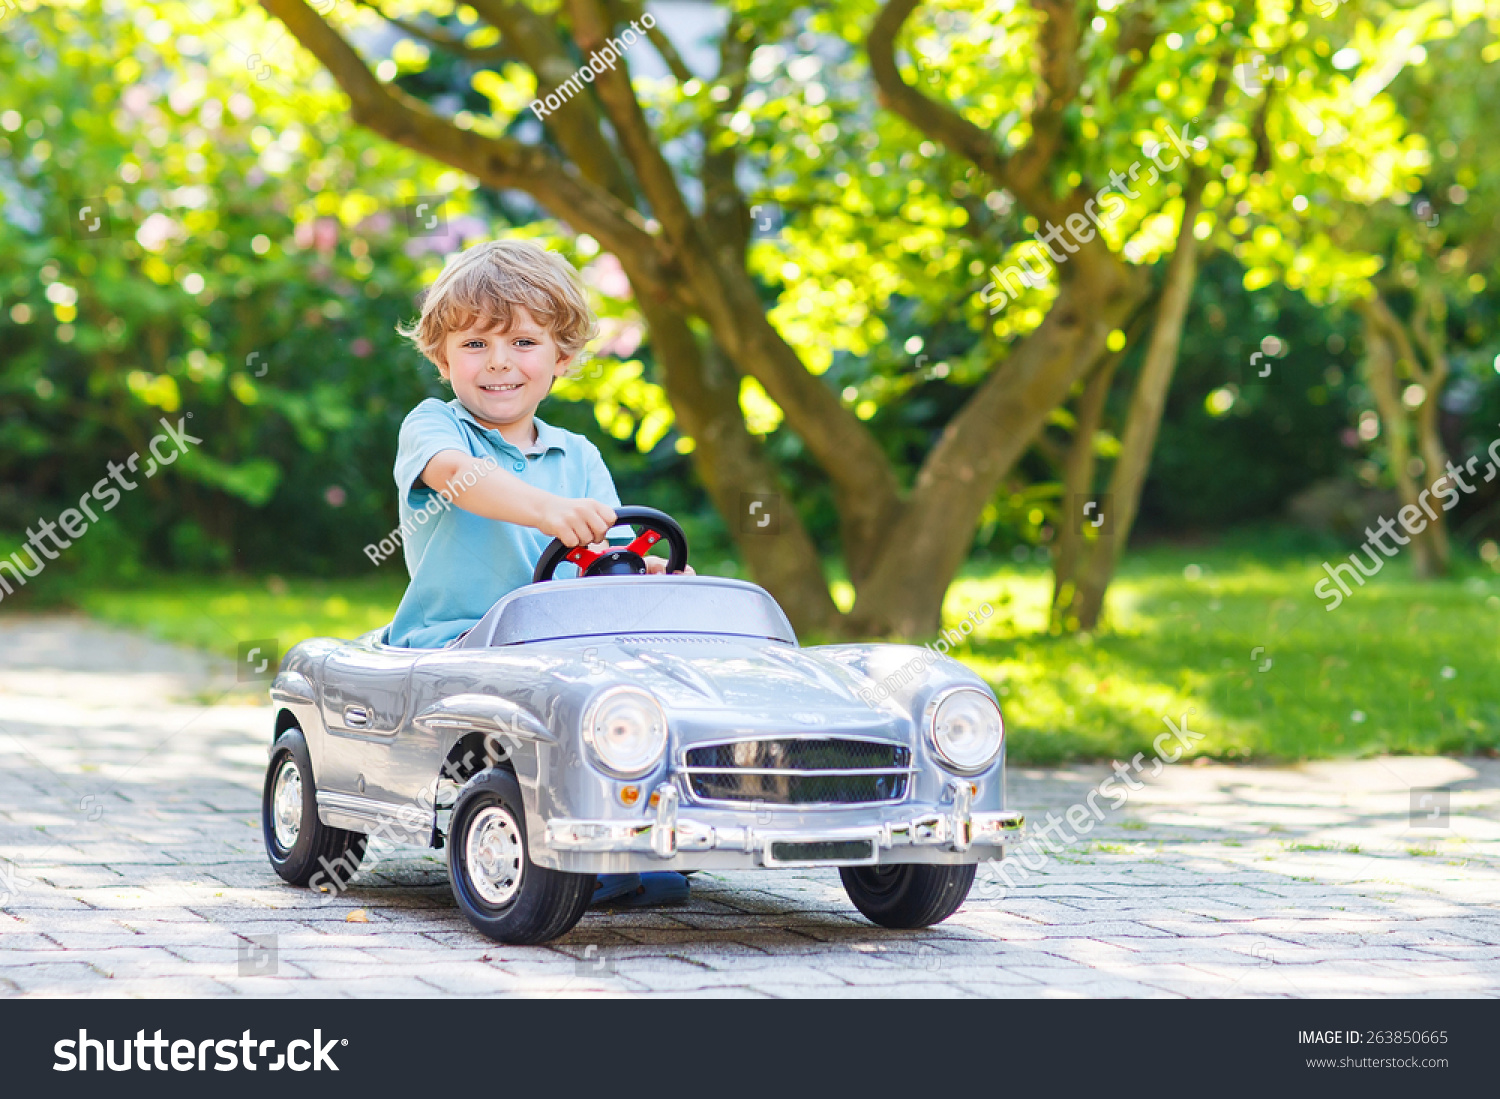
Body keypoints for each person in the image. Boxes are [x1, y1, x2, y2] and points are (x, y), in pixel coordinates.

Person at [390, 238, 690, 909]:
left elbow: (611, 553)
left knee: (642, 688)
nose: (499, 362)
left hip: (561, 651)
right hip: (458, 643)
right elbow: (458, 479)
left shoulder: (577, 455)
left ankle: (648, 823)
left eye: (523, 342)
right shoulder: (437, 427)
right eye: (474, 345)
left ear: (562, 356)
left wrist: (657, 571)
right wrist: (549, 512)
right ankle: (562, 849)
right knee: (538, 702)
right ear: (442, 357)